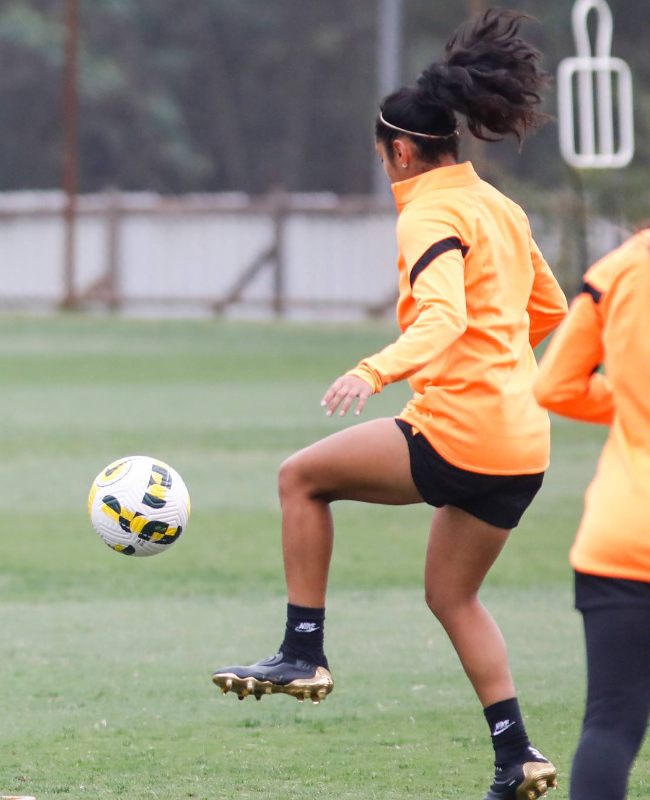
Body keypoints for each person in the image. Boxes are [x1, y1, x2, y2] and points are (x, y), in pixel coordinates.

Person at [210, 10, 567, 800]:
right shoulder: (500, 208)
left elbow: (445, 318)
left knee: (301, 478)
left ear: (400, 151)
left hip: (459, 430)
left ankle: (304, 649)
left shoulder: (429, 211)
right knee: (452, 595)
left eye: (383, 158)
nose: (387, 168)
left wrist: (374, 370)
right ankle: (517, 757)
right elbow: (547, 315)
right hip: (523, 445)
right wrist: (499, 367)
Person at [533, 230, 650, 800]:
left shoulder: (618, 269)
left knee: (611, 722)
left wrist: (630, 405)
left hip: (621, 538)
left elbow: (554, 384)